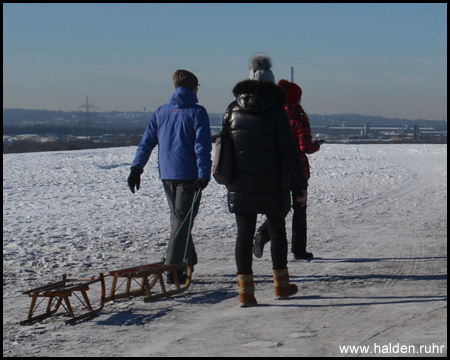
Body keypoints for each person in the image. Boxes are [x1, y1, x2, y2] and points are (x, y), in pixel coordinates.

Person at [219, 53, 308, 307]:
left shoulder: (232, 109)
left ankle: (245, 292)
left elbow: (223, 145)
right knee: (278, 231)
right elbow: (290, 151)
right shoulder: (278, 112)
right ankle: (281, 286)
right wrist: (299, 185)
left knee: (244, 234)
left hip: (240, 183)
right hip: (273, 183)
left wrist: (226, 177)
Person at [128, 69, 212, 283]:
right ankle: (173, 268)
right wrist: (204, 173)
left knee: (180, 220)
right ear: (194, 88)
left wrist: (137, 168)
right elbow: (201, 146)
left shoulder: (161, 112)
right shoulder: (197, 112)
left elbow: (146, 142)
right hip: (190, 175)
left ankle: (188, 259)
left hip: (167, 174)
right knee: (181, 222)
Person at [253, 79, 322, 261]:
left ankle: (263, 232)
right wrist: (317, 145)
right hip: (297, 170)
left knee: (281, 208)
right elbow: (305, 146)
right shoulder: (299, 117)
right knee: (300, 210)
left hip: (277, 170)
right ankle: (299, 250)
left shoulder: (272, 116)